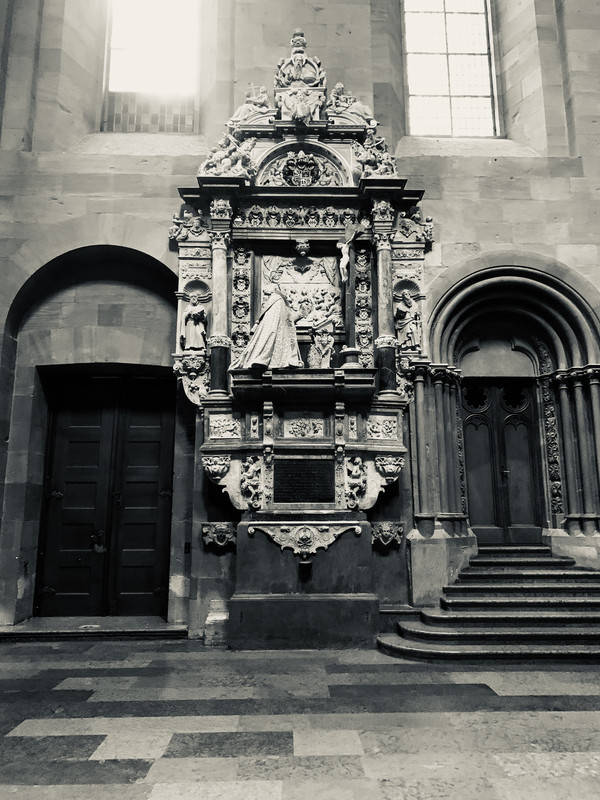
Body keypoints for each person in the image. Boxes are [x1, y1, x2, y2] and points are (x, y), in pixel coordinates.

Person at [229, 285, 310, 370]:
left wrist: (299, 314)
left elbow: (287, 322)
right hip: (272, 330)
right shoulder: (277, 300)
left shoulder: (280, 302)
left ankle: (264, 358)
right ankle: (263, 358)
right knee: (270, 335)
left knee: (272, 335)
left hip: (279, 338)